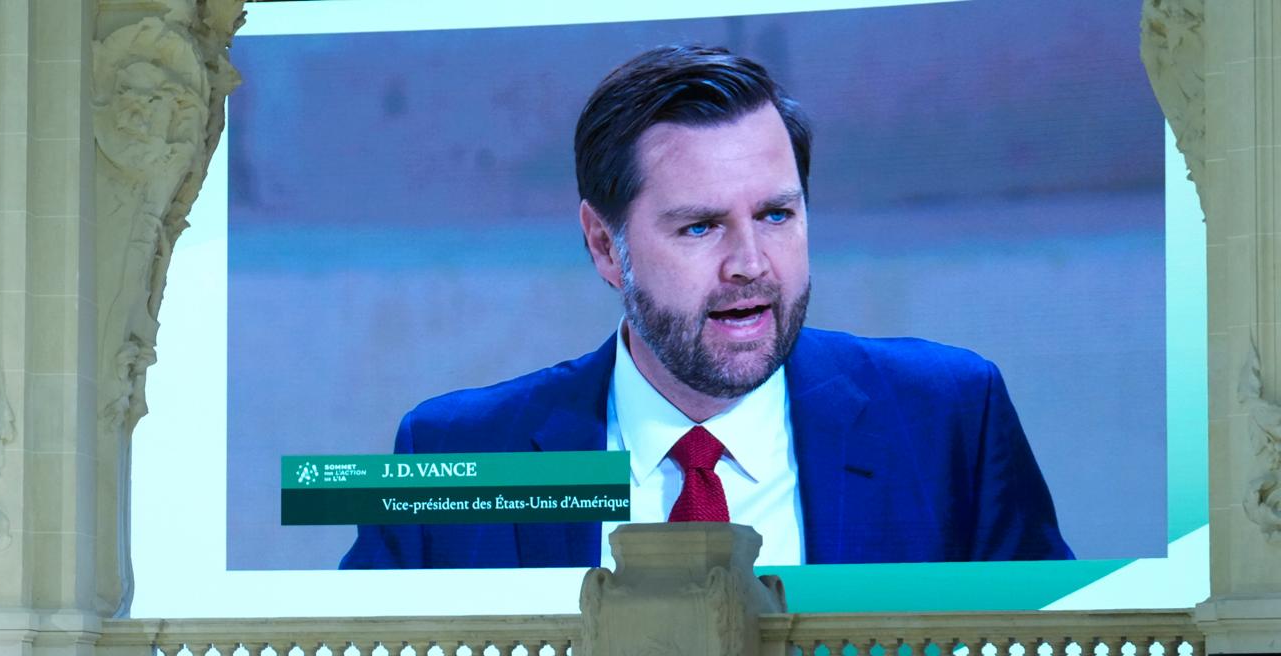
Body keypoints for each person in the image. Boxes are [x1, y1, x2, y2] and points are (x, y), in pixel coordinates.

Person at [340, 45, 1072, 570]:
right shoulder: (457, 457)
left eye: (778, 216)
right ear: (604, 245)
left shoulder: (950, 419)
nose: (751, 264)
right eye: (700, 226)